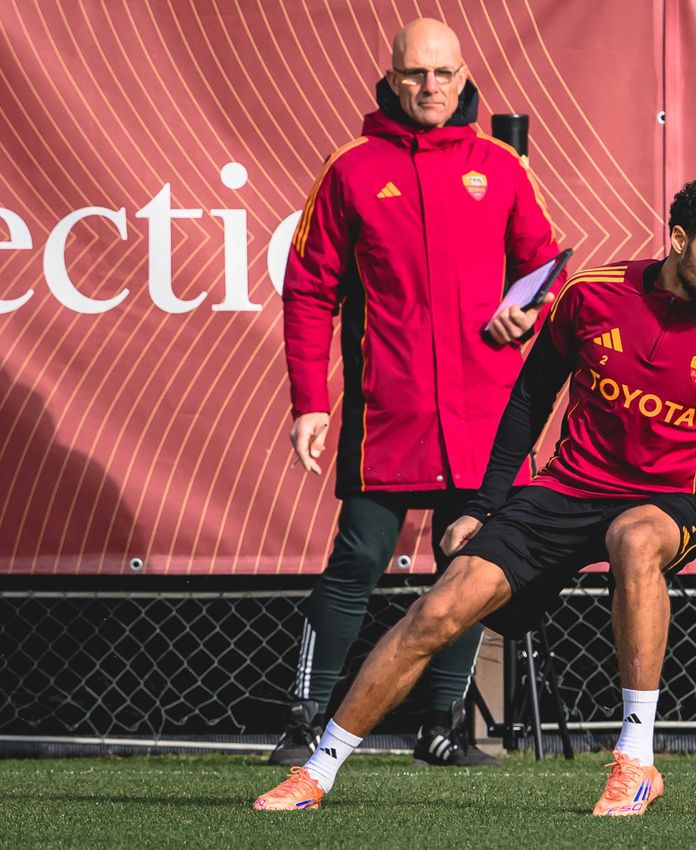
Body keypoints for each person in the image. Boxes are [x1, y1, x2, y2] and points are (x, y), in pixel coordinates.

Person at [255, 176, 696, 815]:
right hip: (564, 489)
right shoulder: (591, 296)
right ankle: (318, 771)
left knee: (634, 539)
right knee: (438, 611)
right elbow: (530, 398)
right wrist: (482, 504)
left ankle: (635, 762)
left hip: (668, 503)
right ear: (677, 240)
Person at [274, 17, 562, 768]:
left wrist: (523, 314)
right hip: (388, 414)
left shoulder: (500, 167)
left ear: (465, 78)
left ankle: (443, 729)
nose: (430, 87)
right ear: (391, 79)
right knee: (358, 561)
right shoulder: (353, 167)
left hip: (485, 416)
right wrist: (310, 399)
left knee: (464, 569)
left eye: (443, 74)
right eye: (415, 74)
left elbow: (545, 270)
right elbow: (308, 290)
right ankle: (303, 725)